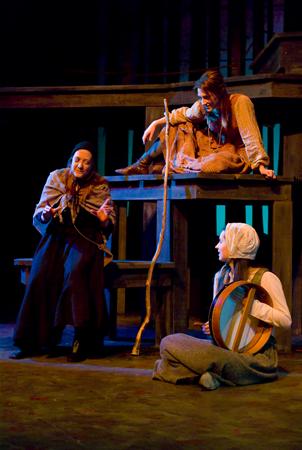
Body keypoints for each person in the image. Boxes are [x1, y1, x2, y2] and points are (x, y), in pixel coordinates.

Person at [10, 141, 116, 362]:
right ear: (71, 161)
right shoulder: (57, 178)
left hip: (86, 238)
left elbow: (108, 220)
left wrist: (104, 221)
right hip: (57, 236)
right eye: (77, 160)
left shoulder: (99, 184)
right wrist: (46, 214)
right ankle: (34, 341)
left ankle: (81, 339)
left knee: (75, 273)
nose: (81, 165)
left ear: (92, 166)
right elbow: (40, 213)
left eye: (86, 162)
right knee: (39, 276)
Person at [152, 222, 292, 390]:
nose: (217, 245)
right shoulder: (221, 276)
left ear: (235, 245)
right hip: (223, 349)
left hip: (255, 356)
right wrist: (212, 327)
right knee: (169, 342)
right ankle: (215, 375)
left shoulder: (266, 278)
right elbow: (221, 318)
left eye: (222, 241)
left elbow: (285, 320)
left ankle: (209, 373)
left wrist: (252, 306)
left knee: (167, 363)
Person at [116, 69, 275, 178]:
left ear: (218, 92)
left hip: (233, 154)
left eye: (206, 97)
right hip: (210, 149)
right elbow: (182, 114)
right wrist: (156, 123)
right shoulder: (202, 106)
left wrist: (260, 166)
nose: (203, 102)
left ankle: (169, 166)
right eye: (200, 97)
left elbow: (251, 136)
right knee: (177, 127)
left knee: (213, 165)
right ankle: (143, 164)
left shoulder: (239, 102)